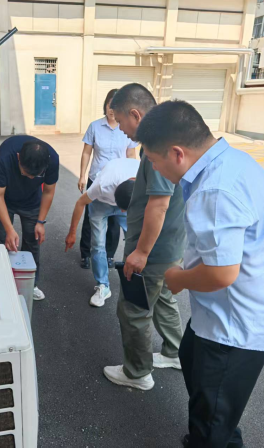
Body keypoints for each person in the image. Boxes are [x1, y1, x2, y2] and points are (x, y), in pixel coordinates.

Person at [136, 100, 264, 448]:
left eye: (153, 160)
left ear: (177, 153)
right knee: (197, 374)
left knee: (211, 420)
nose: (153, 168)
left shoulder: (214, 189)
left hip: (233, 329)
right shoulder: (233, 161)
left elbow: (221, 274)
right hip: (219, 316)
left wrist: (177, 278)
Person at [100, 83, 186, 391]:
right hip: (170, 245)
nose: (122, 130)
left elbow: (159, 204)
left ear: (136, 114)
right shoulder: (173, 134)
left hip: (153, 251)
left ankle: (137, 372)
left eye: (121, 120)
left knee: (133, 310)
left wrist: (141, 252)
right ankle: (175, 352)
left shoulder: (156, 145)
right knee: (162, 299)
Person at [0, 135, 59, 301]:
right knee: (1, 241)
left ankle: (30, 284)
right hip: (5, 200)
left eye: (35, 176)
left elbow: (48, 191)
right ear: (18, 158)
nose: (30, 178)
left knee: (32, 240)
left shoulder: (52, 159)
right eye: (26, 173)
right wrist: (9, 229)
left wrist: (41, 222)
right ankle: (0, 283)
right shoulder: (5, 157)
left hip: (32, 202)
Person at [64, 158, 139, 307]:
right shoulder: (103, 184)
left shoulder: (145, 179)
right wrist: (72, 233)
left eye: (124, 210)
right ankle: (103, 285)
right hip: (101, 203)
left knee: (136, 241)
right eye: (120, 208)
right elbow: (80, 203)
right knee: (98, 244)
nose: (121, 211)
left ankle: (136, 282)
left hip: (131, 200)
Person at [78, 89, 138, 270]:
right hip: (97, 179)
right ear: (105, 105)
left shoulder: (126, 128)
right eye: (109, 105)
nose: (112, 110)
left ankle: (109, 255)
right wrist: (82, 175)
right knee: (91, 218)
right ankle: (86, 253)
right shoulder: (95, 126)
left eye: (116, 106)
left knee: (114, 221)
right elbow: (87, 152)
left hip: (119, 182)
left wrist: (133, 178)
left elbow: (131, 154)